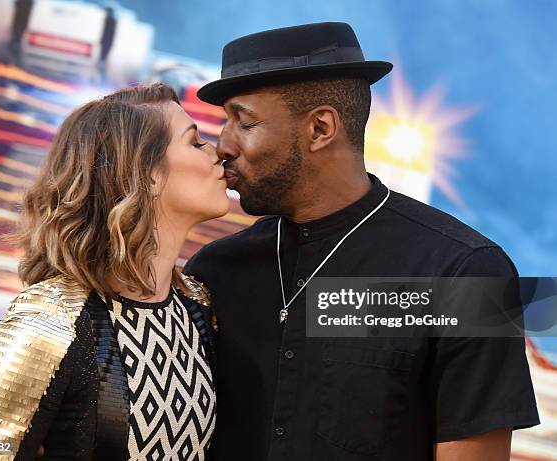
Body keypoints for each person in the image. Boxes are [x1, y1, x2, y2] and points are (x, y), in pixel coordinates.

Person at [184, 22, 540, 461]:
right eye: (225, 123)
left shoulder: (466, 271)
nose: (223, 145)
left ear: (320, 128)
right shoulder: (212, 271)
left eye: (244, 121)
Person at [0, 83, 226, 461]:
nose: (218, 153)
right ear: (146, 171)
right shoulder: (45, 323)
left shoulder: (198, 305)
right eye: (196, 142)